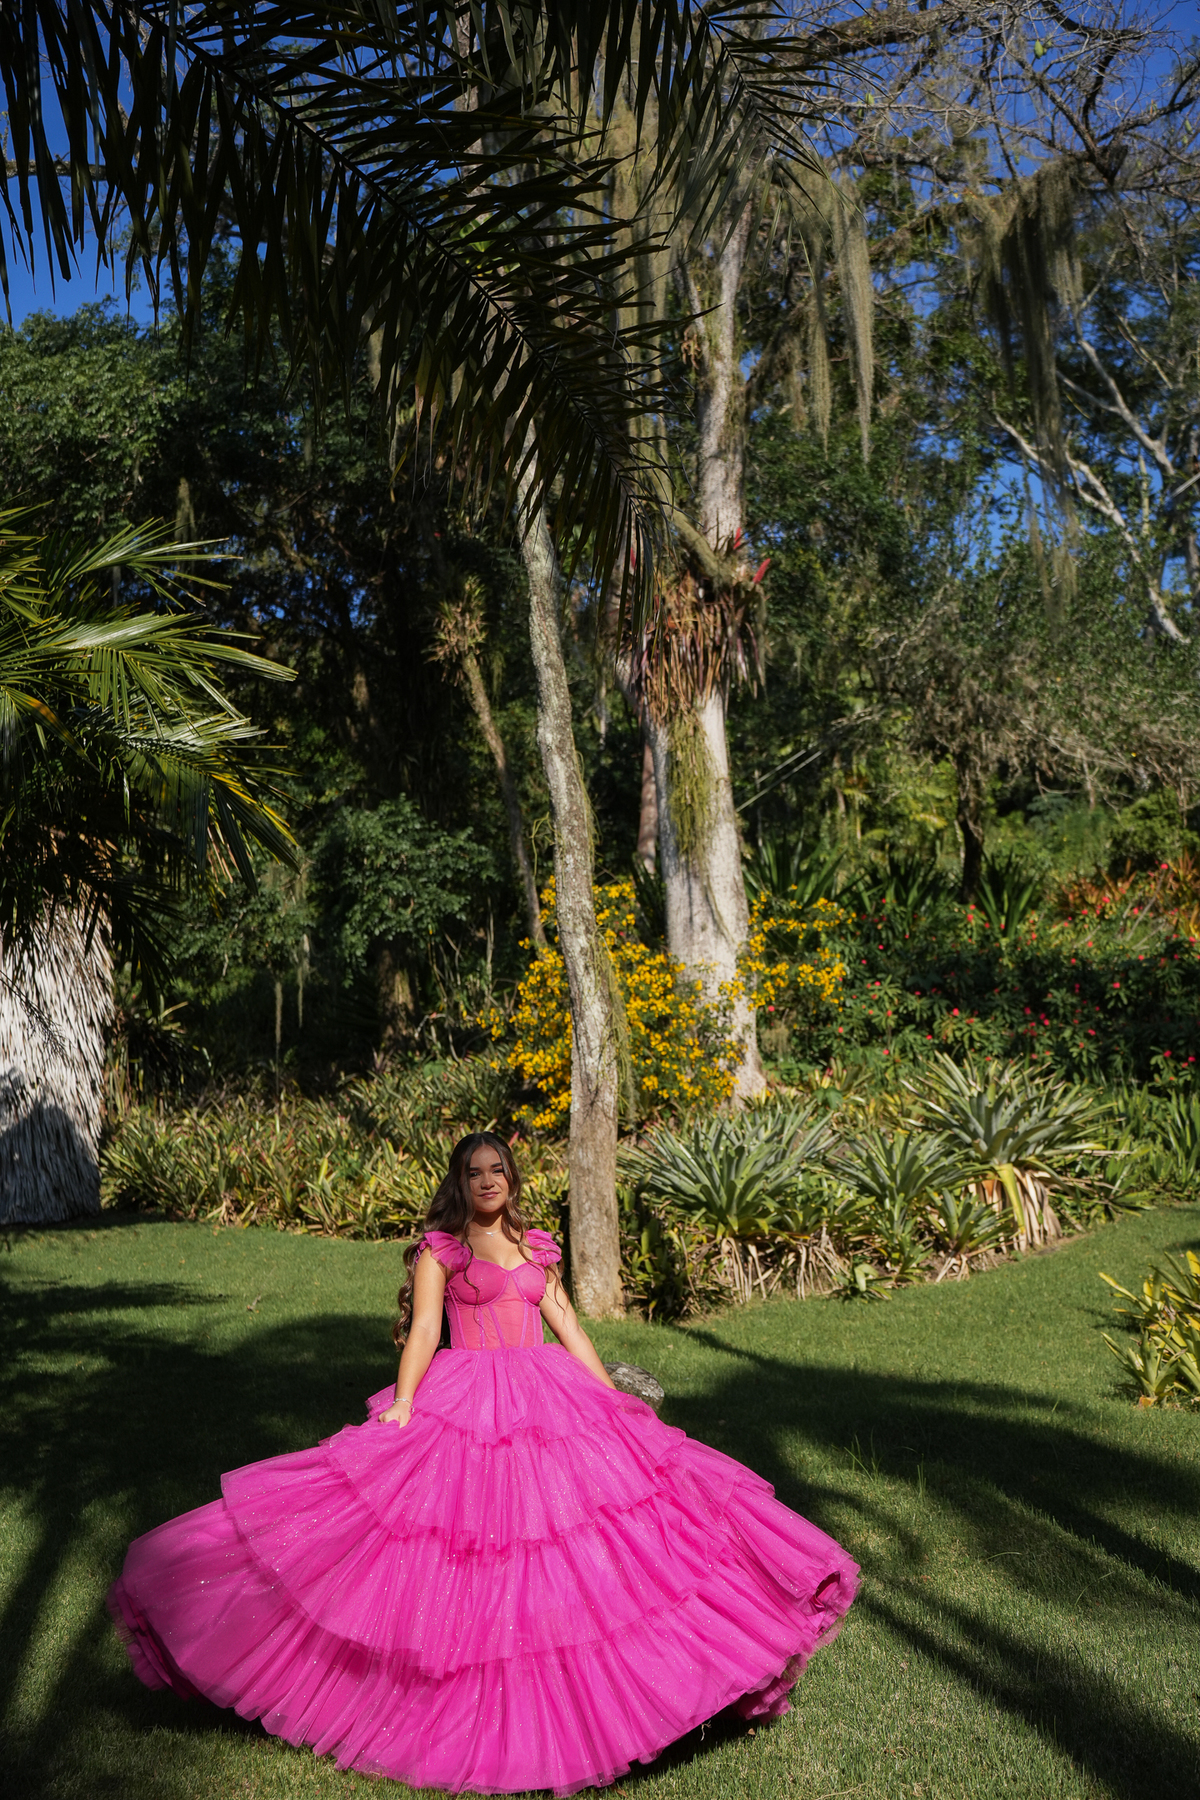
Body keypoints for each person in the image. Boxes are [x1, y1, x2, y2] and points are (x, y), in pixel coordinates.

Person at [109, 1132, 858, 1793]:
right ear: (460, 1183)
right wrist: (405, 1403)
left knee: (589, 1541)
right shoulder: (443, 1250)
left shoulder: (537, 1247)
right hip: (467, 1398)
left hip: (550, 1397)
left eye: (498, 1169)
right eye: (475, 1172)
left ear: (512, 1178)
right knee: (475, 1548)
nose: (488, 1180)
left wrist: (611, 1400)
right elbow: (424, 1330)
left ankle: (668, 1685)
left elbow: (568, 1325)